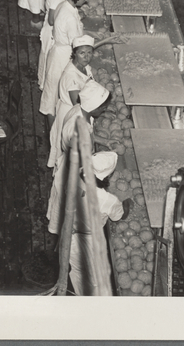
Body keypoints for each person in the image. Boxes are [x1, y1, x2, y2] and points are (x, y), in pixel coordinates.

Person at [47, 82, 130, 248]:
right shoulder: (102, 197)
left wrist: (104, 141)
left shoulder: (78, 112)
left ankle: (58, 248)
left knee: (64, 223)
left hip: (70, 171)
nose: (104, 111)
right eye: (102, 108)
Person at [69, 151, 128, 295]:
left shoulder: (76, 175)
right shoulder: (108, 200)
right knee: (93, 278)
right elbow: (119, 216)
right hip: (88, 240)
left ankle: (78, 295)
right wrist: (127, 202)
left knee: (76, 270)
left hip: (70, 232)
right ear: (107, 177)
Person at [40, 0, 94, 119]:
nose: (86, 0)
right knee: (53, 98)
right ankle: (53, 136)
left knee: (54, 93)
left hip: (58, 52)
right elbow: (79, 47)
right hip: (63, 57)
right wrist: (105, 41)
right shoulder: (69, 16)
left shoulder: (64, 5)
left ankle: (54, 132)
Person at [48, 34, 94, 169]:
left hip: (77, 111)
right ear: (74, 54)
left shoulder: (84, 67)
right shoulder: (71, 76)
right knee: (68, 152)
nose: (86, 57)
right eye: (82, 53)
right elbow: (78, 104)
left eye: (89, 52)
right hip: (71, 113)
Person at [38, 0, 80, 94]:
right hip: (53, 33)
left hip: (54, 31)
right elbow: (52, 19)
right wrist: (68, 17)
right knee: (50, 75)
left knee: (49, 71)